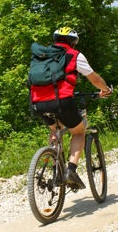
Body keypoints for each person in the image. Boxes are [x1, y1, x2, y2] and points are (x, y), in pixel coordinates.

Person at [30, 27, 112, 189]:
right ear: (73, 43)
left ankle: (55, 168)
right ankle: (70, 171)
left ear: (55, 40)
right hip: (62, 101)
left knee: (55, 129)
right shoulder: (74, 55)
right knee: (79, 132)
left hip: (37, 103)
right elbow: (94, 78)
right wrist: (105, 90)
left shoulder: (41, 56)